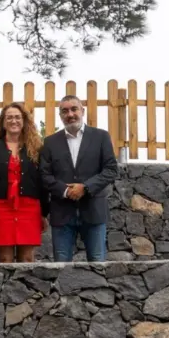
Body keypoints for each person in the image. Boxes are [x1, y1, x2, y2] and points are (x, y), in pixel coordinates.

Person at [39, 94, 118, 262]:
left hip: (93, 210)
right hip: (62, 213)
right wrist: (66, 191)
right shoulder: (50, 142)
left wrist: (86, 188)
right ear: (60, 115)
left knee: (98, 265)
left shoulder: (101, 137)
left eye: (74, 109)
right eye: (64, 111)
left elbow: (111, 170)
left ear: (83, 111)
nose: (70, 114)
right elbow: (44, 175)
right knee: (61, 268)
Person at [0, 103, 49, 263]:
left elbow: (42, 182)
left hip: (29, 207)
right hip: (0, 207)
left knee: (27, 258)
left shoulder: (36, 148)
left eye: (17, 117)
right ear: (3, 122)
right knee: (5, 259)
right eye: (9, 117)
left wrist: (44, 213)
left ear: (24, 120)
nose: (14, 121)